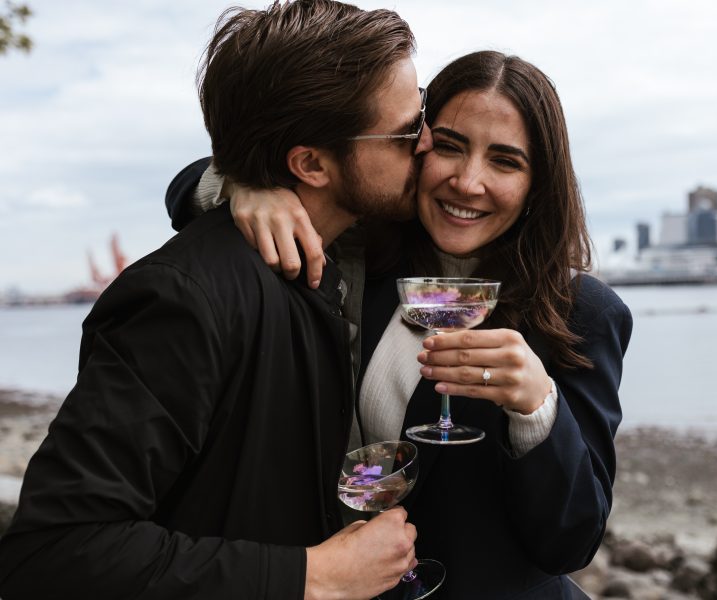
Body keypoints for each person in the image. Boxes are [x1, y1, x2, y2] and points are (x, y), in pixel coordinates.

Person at [0, 2, 434, 599]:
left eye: (425, 112)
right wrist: (314, 576)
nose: (429, 144)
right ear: (310, 163)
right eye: (407, 131)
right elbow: (54, 553)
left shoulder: (328, 263)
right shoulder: (184, 300)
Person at [167, 51, 633, 598]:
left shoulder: (583, 312)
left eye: (505, 162)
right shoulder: (360, 254)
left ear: (538, 184)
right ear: (416, 144)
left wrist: (537, 410)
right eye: (451, 147)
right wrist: (250, 187)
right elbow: (184, 188)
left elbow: (570, 544)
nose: (468, 181)